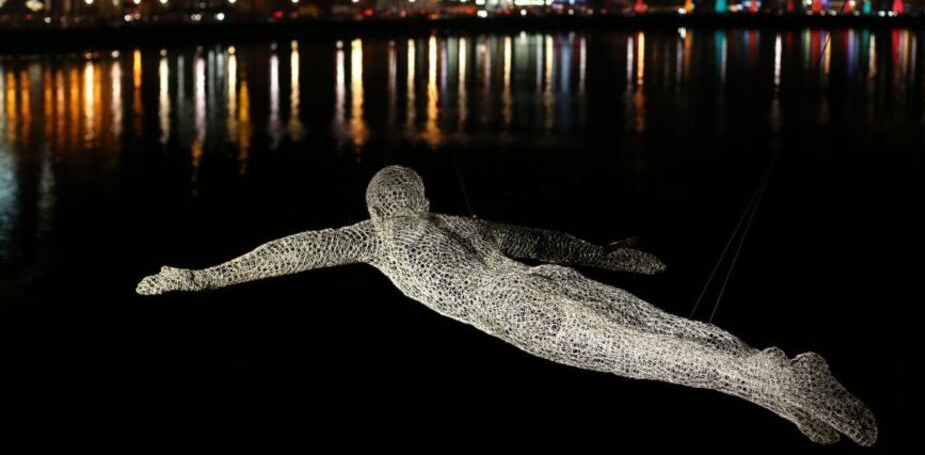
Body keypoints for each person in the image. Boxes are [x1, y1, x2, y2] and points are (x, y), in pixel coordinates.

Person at [137, 165, 877, 446]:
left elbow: (536, 235)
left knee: (661, 341)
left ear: (414, 198)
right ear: (384, 204)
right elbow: (280, 254)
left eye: (409, 197)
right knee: (657, 347)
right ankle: (779, 383)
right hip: (533, 304)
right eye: (395, 200)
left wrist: (606, 254)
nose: (406, 207)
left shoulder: (413, 231)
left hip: (537, 301)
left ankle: (781, 380)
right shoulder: (371, 238)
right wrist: (200, 277)